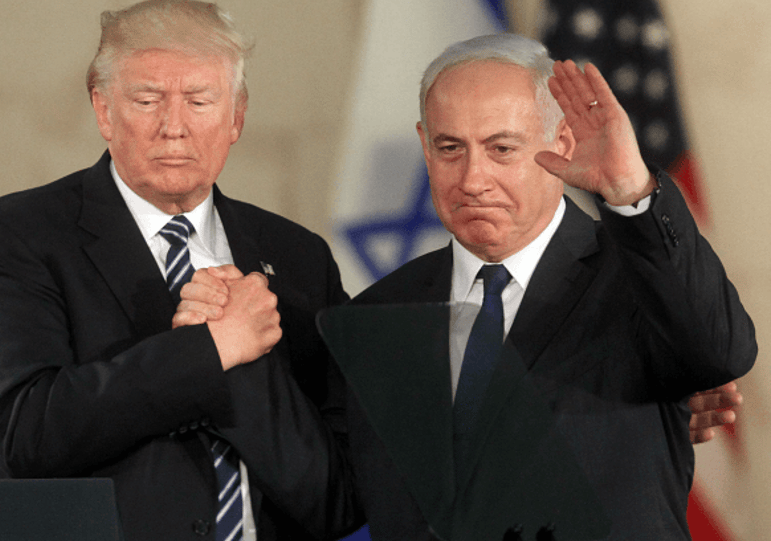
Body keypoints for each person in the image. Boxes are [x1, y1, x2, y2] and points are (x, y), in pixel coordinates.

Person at [316, 34, 756, 540]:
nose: (473, 178)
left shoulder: (640, 284)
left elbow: (721, 352)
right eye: (450, 148)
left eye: (502, 149)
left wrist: (632, 188)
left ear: (562, 142)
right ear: (424, 145)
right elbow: (331, 495)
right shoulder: (381, 313)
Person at [0, 0, 358, 541]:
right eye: (147, 100)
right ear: (103, 110)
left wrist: (242, 359)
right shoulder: (16, 236)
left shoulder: (297, 257)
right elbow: (22, 440)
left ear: (236, 115)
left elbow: (338, 500)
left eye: (199, 100)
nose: (174, 127)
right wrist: (206, 350)